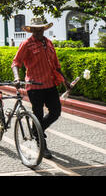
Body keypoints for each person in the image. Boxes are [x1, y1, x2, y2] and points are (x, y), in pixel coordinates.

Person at [11, 17, 71, 159]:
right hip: (34, 86)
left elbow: (56, 65)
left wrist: (65, 81)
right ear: (31, 30)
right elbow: (16, 63)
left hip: (50, 84)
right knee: (37, 115)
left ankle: (36, 130)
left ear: (44, 29)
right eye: (35, 30)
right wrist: (16, 78)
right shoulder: (26, 44)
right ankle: (41, 145)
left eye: (40, 29)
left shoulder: (49, 43)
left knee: (56, 112)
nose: (38, 32)